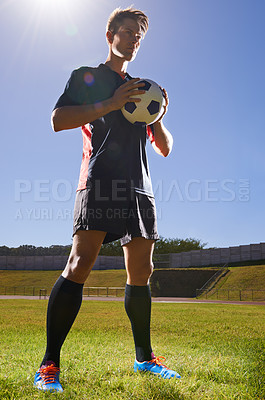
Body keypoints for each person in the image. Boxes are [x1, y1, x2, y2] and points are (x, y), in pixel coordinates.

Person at [34, 6, 180, 392]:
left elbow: (165, 148)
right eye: (128, 32)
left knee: (142, 272)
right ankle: (49, 366)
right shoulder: (89, 77)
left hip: (139, 186)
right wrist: (110, 103)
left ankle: (145, 358)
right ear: (110, 34)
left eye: (139, 36)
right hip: (99, 180)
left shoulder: (143, 88)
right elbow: (57, 120)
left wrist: (159, 114)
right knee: (80, 263)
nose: (133, 39)